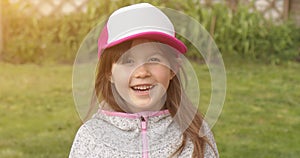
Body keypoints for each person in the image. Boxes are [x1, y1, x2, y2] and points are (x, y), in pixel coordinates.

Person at [69, 3, 219, 158]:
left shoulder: (195, 133)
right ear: (109, 73)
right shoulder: (91, 137)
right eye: (128, 61)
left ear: (173, 68)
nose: (141, 72)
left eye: (154, 59)